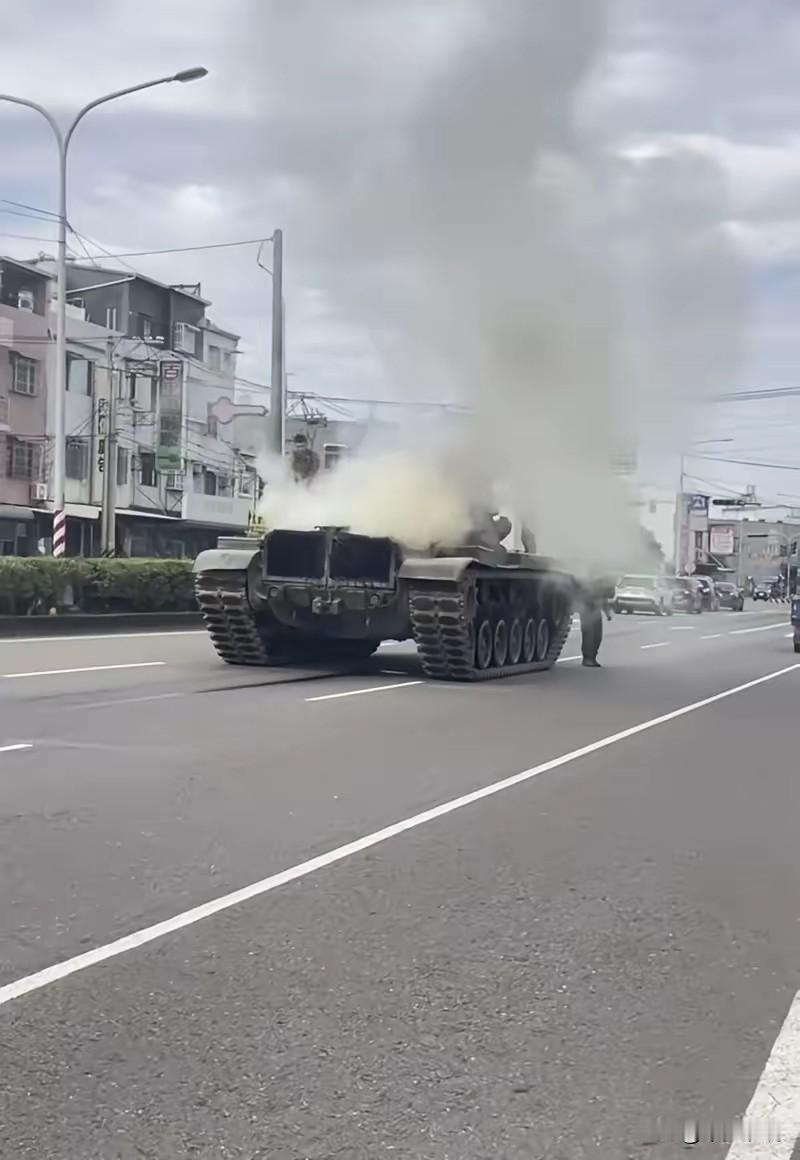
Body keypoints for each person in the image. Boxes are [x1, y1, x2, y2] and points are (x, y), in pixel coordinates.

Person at [579, 579, 612, 668]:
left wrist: (607, 613)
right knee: (589, 634)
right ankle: (587, 658)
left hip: (596, 611)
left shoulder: (600, 583)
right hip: (586, 609)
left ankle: (592, 657)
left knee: (597, 635)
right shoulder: (586, 581)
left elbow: (603, 598)